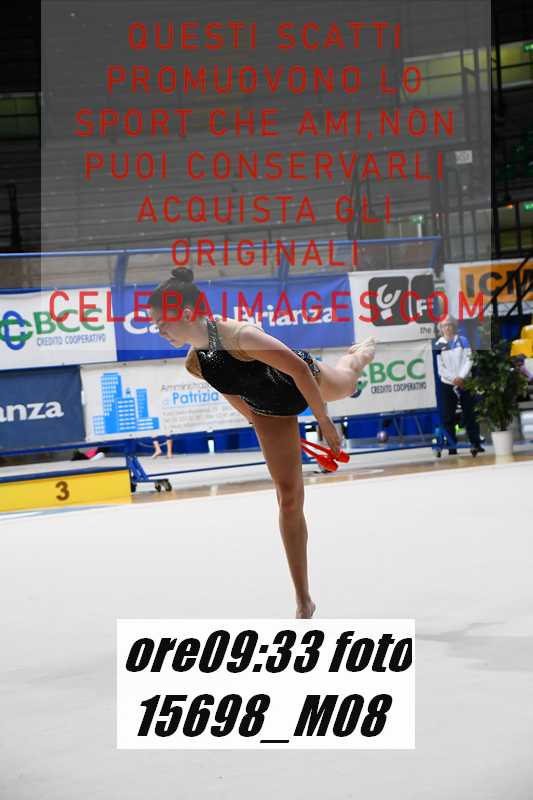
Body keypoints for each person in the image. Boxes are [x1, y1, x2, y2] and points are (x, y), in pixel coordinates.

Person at [149, 268, 376, 619]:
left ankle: (357, 356)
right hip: (267, 408)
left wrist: (324, 422)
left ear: (188, 313)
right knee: (289, 500)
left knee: (346, 383)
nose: (159, 330)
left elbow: (298, 370)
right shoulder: (196, 361)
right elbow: (231, 392)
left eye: (162, 323)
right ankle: (303, 599)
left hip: (303, 383)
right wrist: (259, 424)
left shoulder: (239, 335)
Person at [435, 316, 484, 455]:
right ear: (441, 328)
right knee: (448, 416)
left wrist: (461, 377)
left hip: (465, 382)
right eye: (444, 325)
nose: (447, 328)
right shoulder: (438, 344)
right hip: (447, 384)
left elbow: (469, 360)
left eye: (450, 325)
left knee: (470, 414)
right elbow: (440, 368)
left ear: (454, 326)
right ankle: (452, 447)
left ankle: (475, 443)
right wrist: (453, 379)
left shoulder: (463, 340)